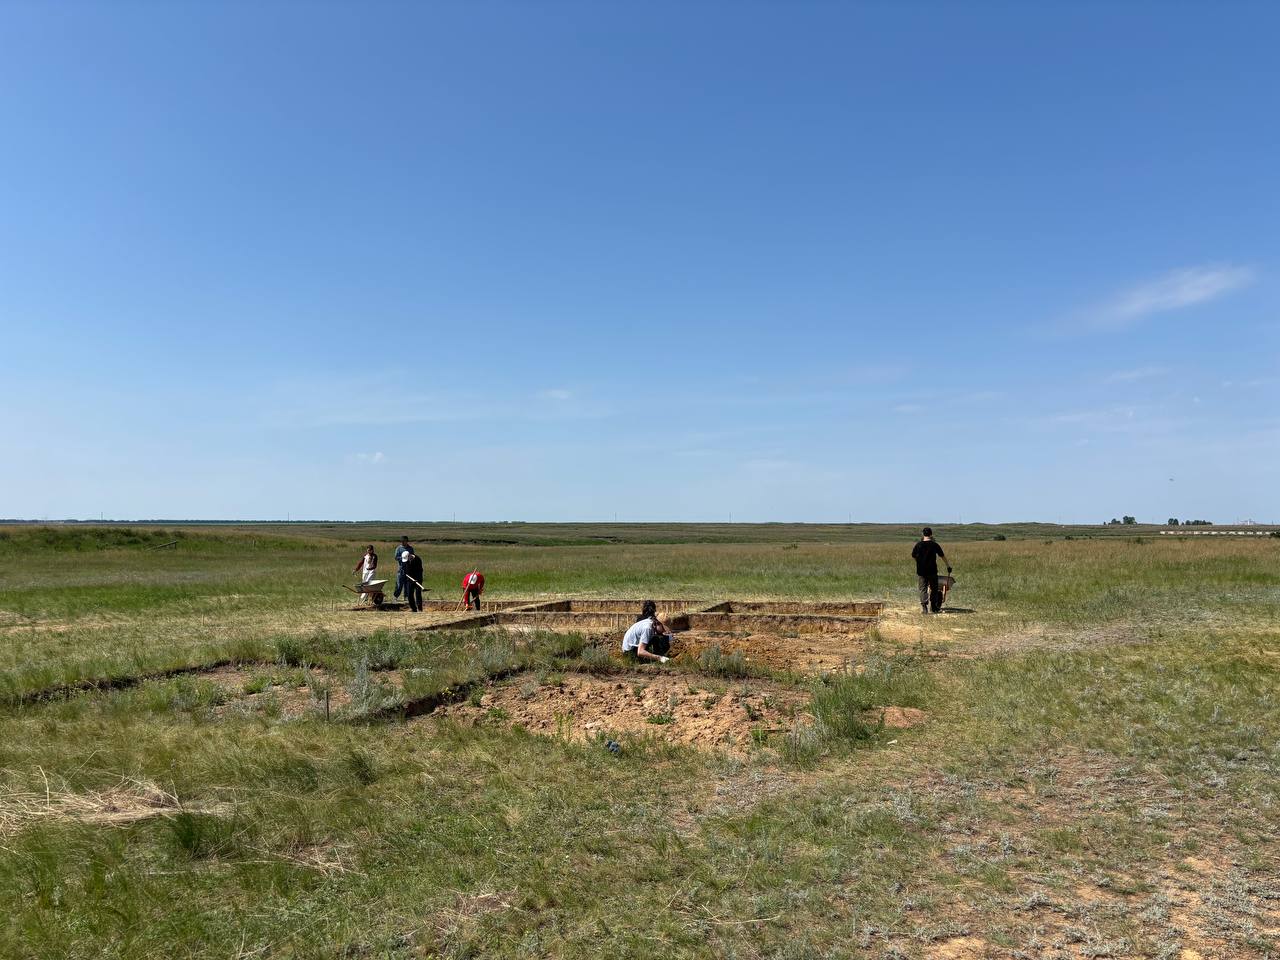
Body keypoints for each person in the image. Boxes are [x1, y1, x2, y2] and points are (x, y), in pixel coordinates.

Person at [911, 527, 952, 614]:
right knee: (934, 588)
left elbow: (913, 556)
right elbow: (942, 556)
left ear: (923, 534)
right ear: (931, 534)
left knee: (923, 589)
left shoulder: (918, 545)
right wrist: (948, 566)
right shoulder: (934, 545)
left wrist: (919, 563)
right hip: (932, 570)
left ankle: (924, 608)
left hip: (921, 571)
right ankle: (933, 607)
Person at [402, 547, 425, 612]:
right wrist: (409, 577)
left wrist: (416, 579)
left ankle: (420, 608)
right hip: (410, 579)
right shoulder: (406, 561)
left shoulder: (417, 559)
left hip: (418, 578)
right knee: (409, 594)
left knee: (418, 593)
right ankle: (413, 609)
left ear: (409, 556)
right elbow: (406, 570)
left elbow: (420, 570)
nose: (407, 561)